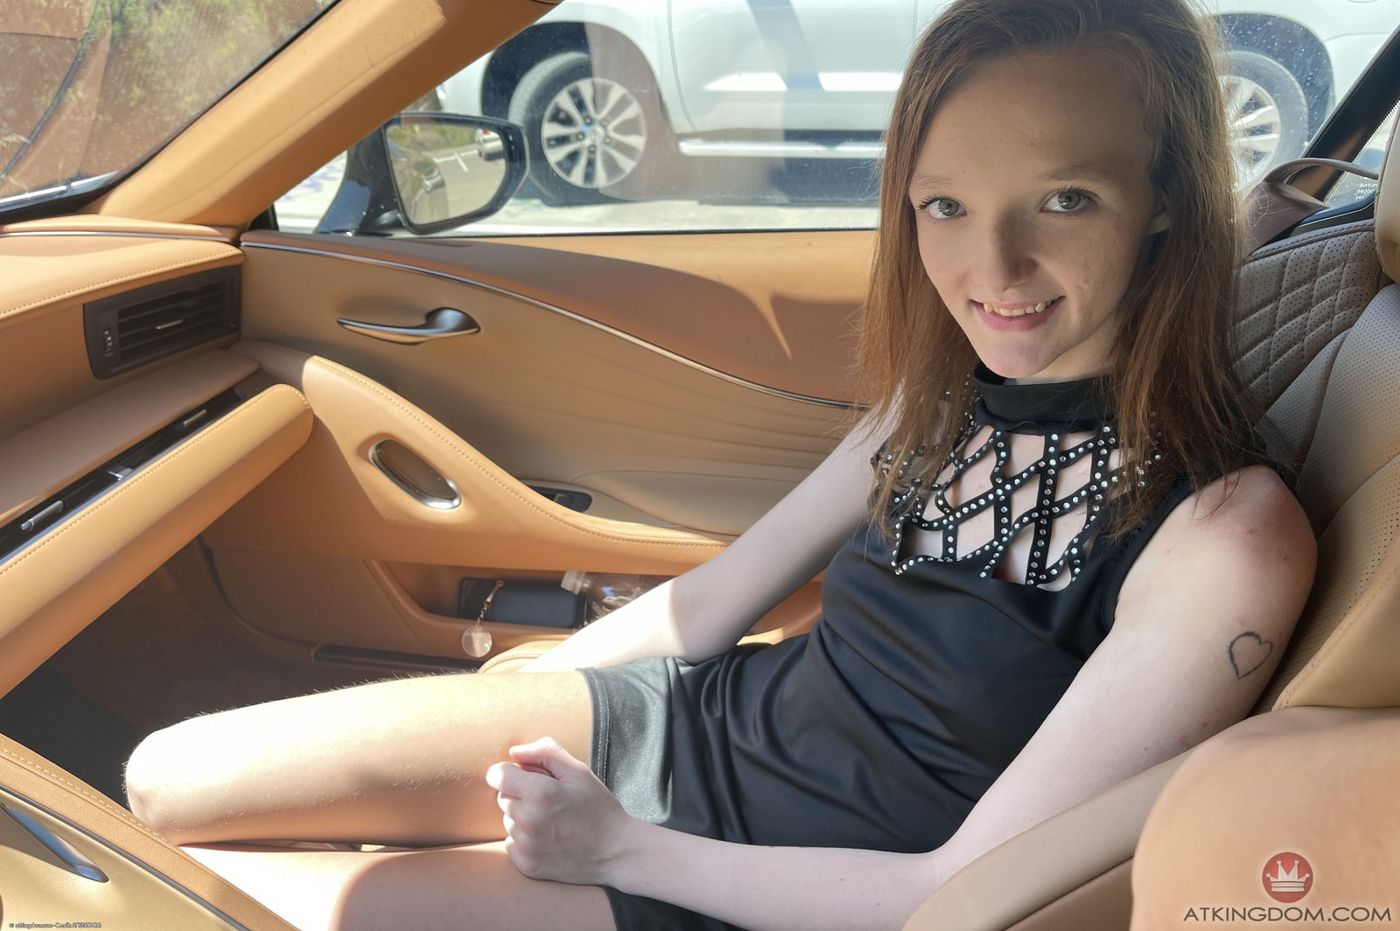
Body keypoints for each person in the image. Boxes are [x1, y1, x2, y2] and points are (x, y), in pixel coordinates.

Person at [121, 0, 1318, 928]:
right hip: (693, 722)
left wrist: (619, 850)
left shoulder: (1224, 537)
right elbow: (706, 607)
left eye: (1062, 199)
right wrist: (501, 708)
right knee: (166, 783)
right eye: (943, 206)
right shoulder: (941, 396)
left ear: (1167, 199)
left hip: (776, 882)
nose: (988, 270)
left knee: (182, 902)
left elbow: (956, 893)